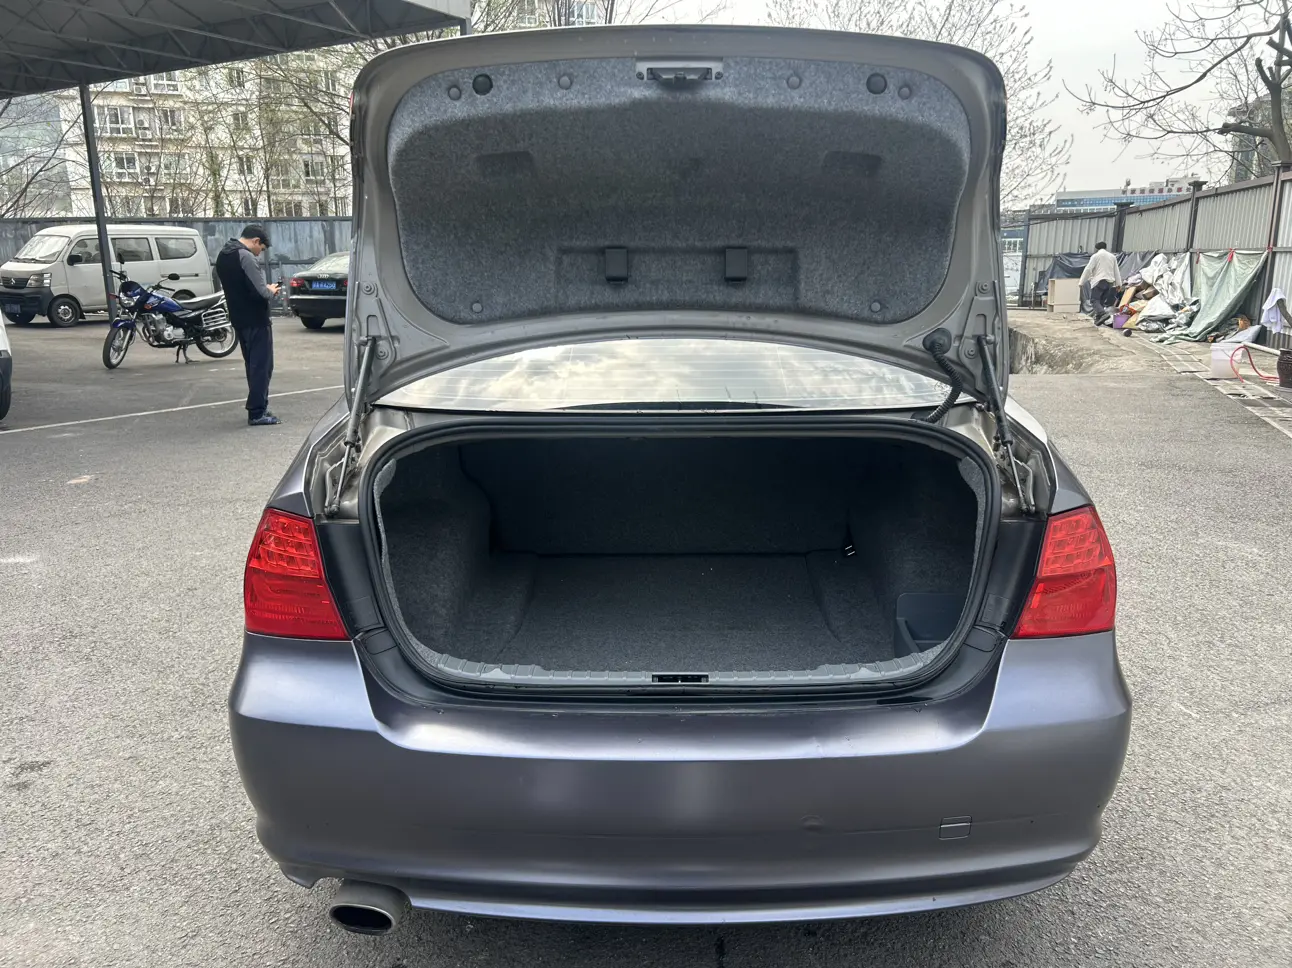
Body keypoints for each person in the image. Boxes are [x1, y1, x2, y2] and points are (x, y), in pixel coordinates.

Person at [216, 225, 281, 425]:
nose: (260, 253)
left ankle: (257, 407)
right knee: (262, 366)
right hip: (256, 319)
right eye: (261, 248)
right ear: (256, 241)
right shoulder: (246, 256)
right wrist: (271, 290)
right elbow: (261, 292)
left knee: (252, 365)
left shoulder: (223, 255)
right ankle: (257, 412)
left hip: (238, 318)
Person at [1079, 241, 1122, 324]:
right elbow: (1116, 271)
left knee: (1094, 300)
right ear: (1105, 248)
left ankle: (1102, 314)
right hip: (1109, 283)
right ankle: (1098, 320)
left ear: (1096, 248)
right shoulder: (1112, 257)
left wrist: (1081, 282)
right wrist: (1119, 284)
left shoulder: (1095, 256)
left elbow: (1088, 269)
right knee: (1101, 301)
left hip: (1099, 281)